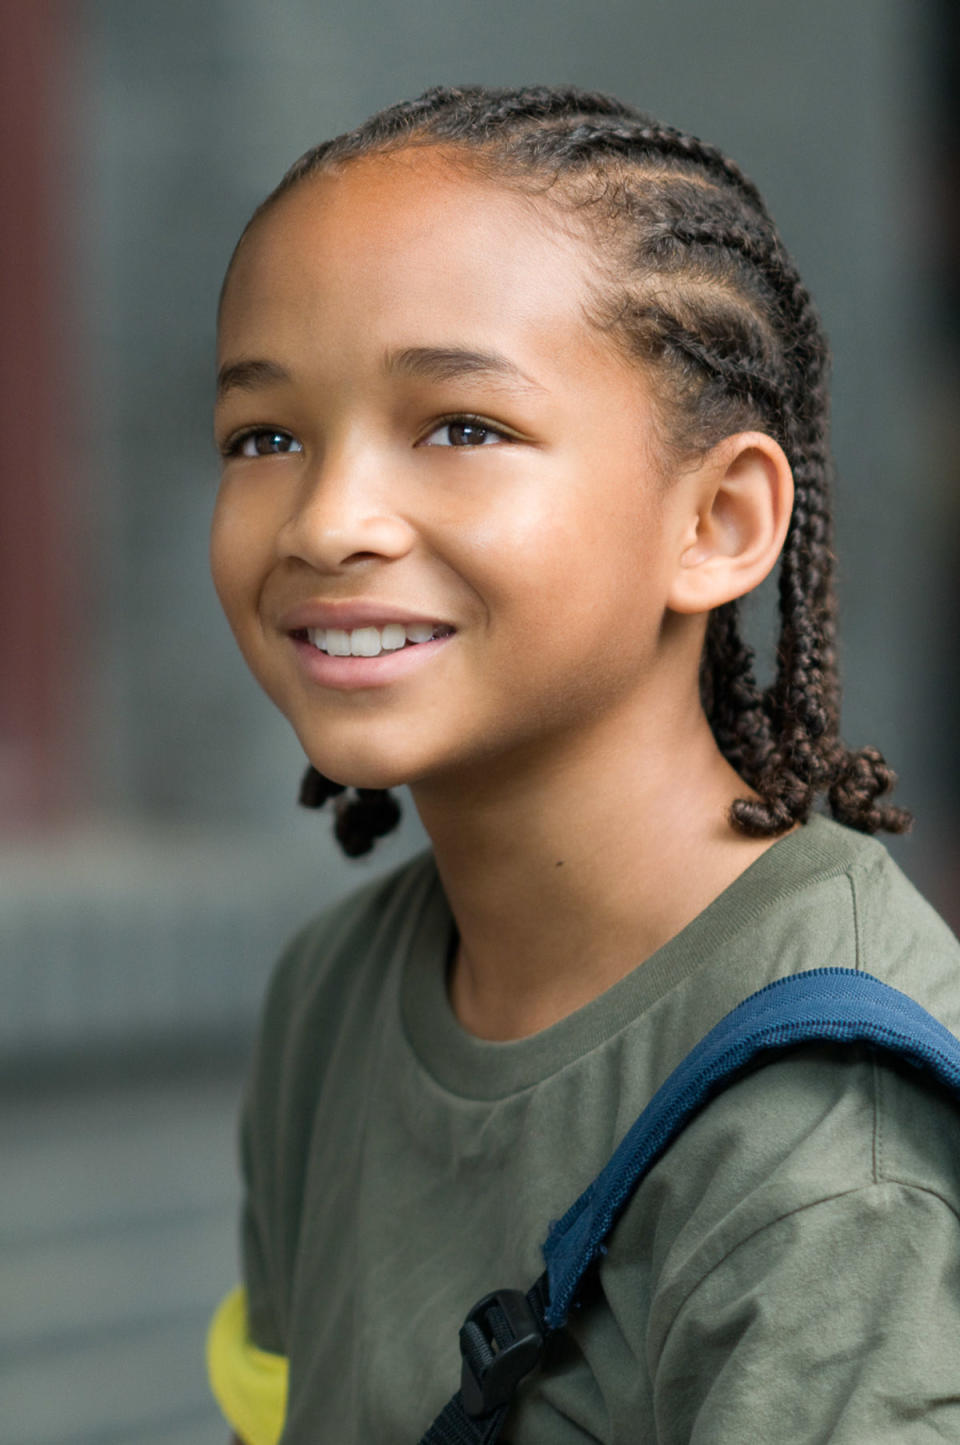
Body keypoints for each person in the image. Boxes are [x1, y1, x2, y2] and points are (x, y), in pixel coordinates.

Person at [205, 85, 960, 1444]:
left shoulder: (824, 1139)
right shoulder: (334, 997)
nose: (326, 519)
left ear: (720, 521)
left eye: (460, 427)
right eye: (267, 437)